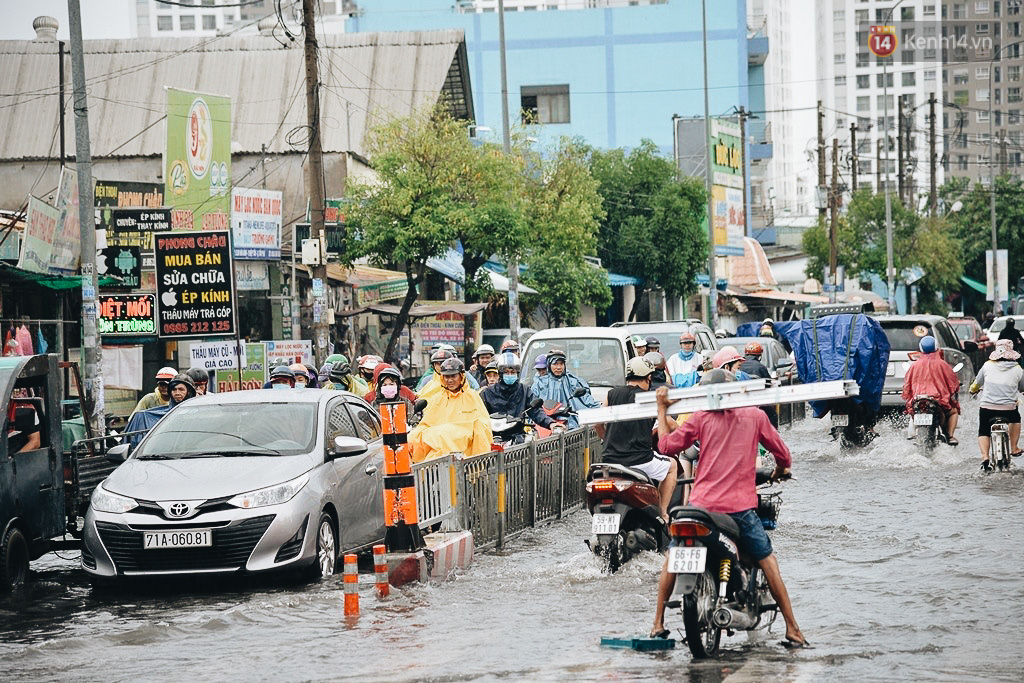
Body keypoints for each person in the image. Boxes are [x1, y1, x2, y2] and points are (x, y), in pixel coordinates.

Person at [649, 370, 808, 647]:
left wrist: (661, 409)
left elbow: (666, 445)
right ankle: (792, 628)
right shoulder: (756, 416)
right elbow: (783, 456)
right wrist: (781, 470)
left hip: (699, 508)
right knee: (767, 560)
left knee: (673, 557)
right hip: (739, 509)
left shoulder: (700, 417)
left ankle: (657, 623)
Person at [596, 356, 678, 520]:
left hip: (610, 460)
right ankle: (662, 513)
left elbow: (597, 422)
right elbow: (669, 426)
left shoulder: (611, 394)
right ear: (649, 377)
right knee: (672, 467)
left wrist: (607, 440)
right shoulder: (648, 398)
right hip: (641, 461)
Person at [408, 357, 493, 462]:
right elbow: (426, 424)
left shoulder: (472, 396)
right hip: (438, 451)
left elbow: (483, 426)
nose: (450, 380)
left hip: (465, 453)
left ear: (461, 376)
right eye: (447, 377)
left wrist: (454, 432)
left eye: (453, 376)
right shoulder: (438, 398)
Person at [969, 339, 1024, 471]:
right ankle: (1014, 448)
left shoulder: (987, 366)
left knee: (983, 429)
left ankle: (985, 458)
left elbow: (976, 384)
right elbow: (1022, 388)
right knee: (1016, 418)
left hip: (987, 408)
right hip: (1008, 410)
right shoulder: (1018, 369)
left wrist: (973, 390)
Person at [480, 352, 558, 443]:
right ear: (501, 373)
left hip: (518, 439)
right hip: (493, 438)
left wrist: (550, 423)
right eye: (506, 372)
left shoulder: (524, 390)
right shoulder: (487, 393)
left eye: (513, 372)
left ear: (517, 373)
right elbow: (480, 416)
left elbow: (536, 411)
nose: (510, 375)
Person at [901, 335, 961, 446]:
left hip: (917, 400)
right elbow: (952, 382)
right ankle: (950, 436)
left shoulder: (915, 365)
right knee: (954, 411)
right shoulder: (942, 364)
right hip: (937, 399)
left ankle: (915, 435)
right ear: (936, 347)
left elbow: (907, 385)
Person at [532, 348, 601, 429]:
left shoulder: (572, 381)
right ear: (549, 366)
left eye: (561, 364)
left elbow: (586, 398)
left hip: (570, 423)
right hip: (546, 424)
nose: (558, 367)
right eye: (555, 364)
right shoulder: (540, 383)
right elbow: (532, 404)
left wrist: (599, 409)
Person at [125, 373, 196, 449]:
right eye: (174, 389)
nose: (177, 393)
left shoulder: (198, 413)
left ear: (188, 391)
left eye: (181, 389)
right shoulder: (145, 415)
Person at [739, 341, 778, 427]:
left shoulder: (738, 365)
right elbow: (769, 384)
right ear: (759, 355)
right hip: (757, 400)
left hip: (739, 399)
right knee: (772, 414)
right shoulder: (761, 367)